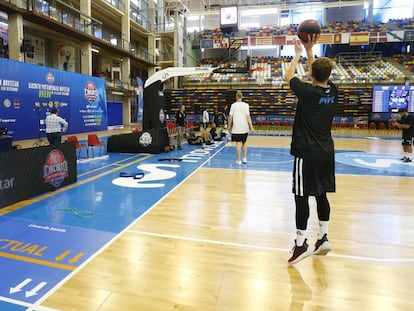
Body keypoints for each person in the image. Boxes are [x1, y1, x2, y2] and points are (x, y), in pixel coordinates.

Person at [284, 35, 338, 265]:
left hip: (306, 153)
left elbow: (288, 76)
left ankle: (300, 244)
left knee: (300, 196)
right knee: (320, 193)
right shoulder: (333, 91)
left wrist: (298, 54)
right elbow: (319, 74)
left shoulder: (307, 92)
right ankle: (323, 236)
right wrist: (310, 50)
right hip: (326, 151)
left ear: (312, 76)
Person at [228, 90, 254, 165]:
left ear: (236, 97)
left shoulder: (233, 105)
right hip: (244, 127)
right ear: (242, 97)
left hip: (236, 128)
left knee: (238, 144)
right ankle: (245, 158)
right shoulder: (246, 105)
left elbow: (230, 117)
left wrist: (229, 127)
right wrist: (251, 127)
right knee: (244, 143)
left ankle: (239, 160)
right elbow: (248, 117)